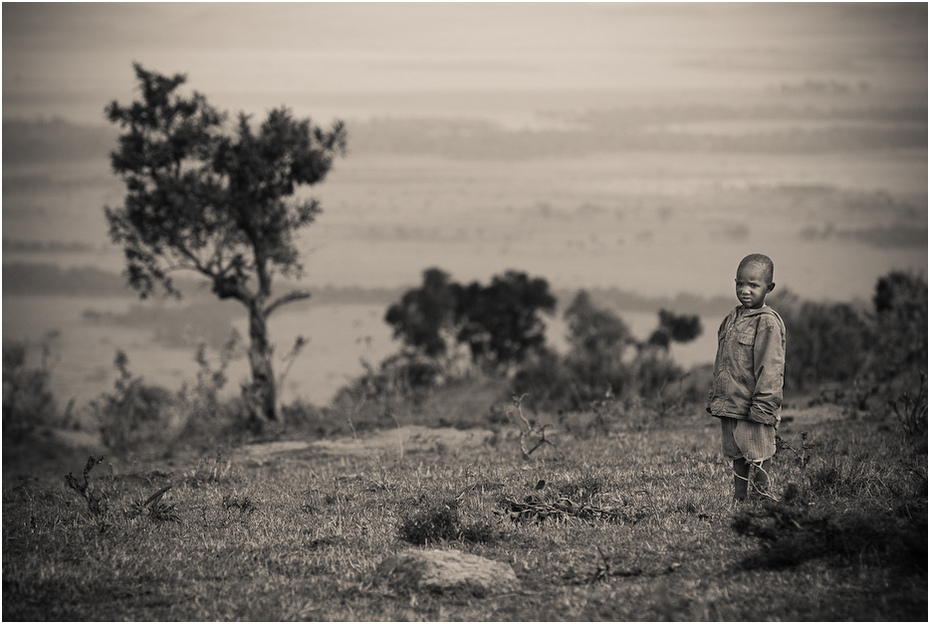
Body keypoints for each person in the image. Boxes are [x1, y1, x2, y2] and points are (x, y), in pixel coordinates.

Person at [706, 253, 786, 501]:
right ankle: (739, 500)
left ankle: (761, 499)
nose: (745, 290)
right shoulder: (732, 318)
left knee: (759, 455)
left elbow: (771, 369)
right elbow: (723, 361)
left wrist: (763, 407)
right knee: (738, 456)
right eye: (740, 283)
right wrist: (716, 396)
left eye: (753, 285)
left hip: (755, 405)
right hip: (732, 403)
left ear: (769, 288)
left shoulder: (767, 323)